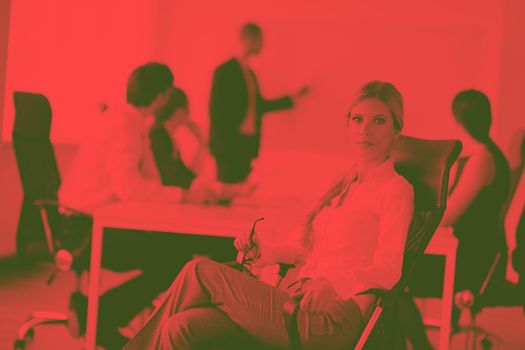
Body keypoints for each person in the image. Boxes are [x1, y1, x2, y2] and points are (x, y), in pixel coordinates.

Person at [123, 81, 414, 350]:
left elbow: (389, 268)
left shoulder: (395, 189)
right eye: (358, 119)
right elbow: (306, 246)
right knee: (179, 327)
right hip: (296, 302)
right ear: (348, 125)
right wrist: (266, 251)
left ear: (396, 131)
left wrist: (337, 285)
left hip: (332, 320)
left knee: (199, 270)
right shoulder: (340, 185)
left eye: (379, 121)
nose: (366, 129)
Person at [58, 63, 218, 348]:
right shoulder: (122, 125)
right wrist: (181, 196)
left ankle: (97, 315)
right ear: (161, 95)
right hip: (81, 230)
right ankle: (100, 318)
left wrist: (178, 194)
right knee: (175, 259)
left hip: (93, 222)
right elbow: (130, 189)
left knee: (176, 254)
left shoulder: (133, 124)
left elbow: (151, 180)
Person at [403, 90, 511, 348]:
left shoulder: (482, 159)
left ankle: (421, 346)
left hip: (475, 263)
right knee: (397, 273)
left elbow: (448, 215)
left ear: (457, 120)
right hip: (469, 253)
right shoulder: (475, 156)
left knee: (397, 279)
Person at [209, 22, 309, 191]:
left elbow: (259, 106)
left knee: (241, 194)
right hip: (228, 147)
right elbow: (217, 112)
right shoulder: (224, 71)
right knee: (227, 194)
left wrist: (293, 98)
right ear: (249, 39)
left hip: (246, 144)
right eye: (260, 40)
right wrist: (219, 147)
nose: (263, 45)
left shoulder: (250, 74)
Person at [150, 87, 217, 191]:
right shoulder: (157, 135)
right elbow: (174, 177)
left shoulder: (167, 136)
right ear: (178, 111)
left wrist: (200, 143)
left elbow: (185, 174)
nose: (189, 113)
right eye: (187, 109)